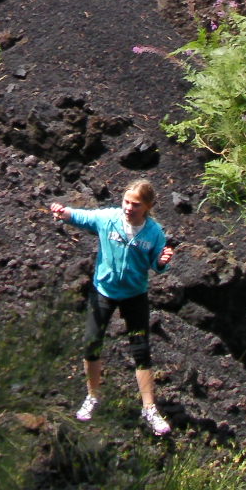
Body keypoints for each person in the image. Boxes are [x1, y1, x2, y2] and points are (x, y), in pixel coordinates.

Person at [47, 179, 176, 435]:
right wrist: (63, 213)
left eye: (136, 204)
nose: (129, 207)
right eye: (126, 201)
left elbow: (157, 264)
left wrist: (162, 262)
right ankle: (93, 395)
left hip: (134, 296)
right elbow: (84, 217)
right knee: (91, 343)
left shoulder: (154, 233)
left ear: (147, 207)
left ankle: (149, 408)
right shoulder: (109, 219)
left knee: (141, 350)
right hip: (103, 292)